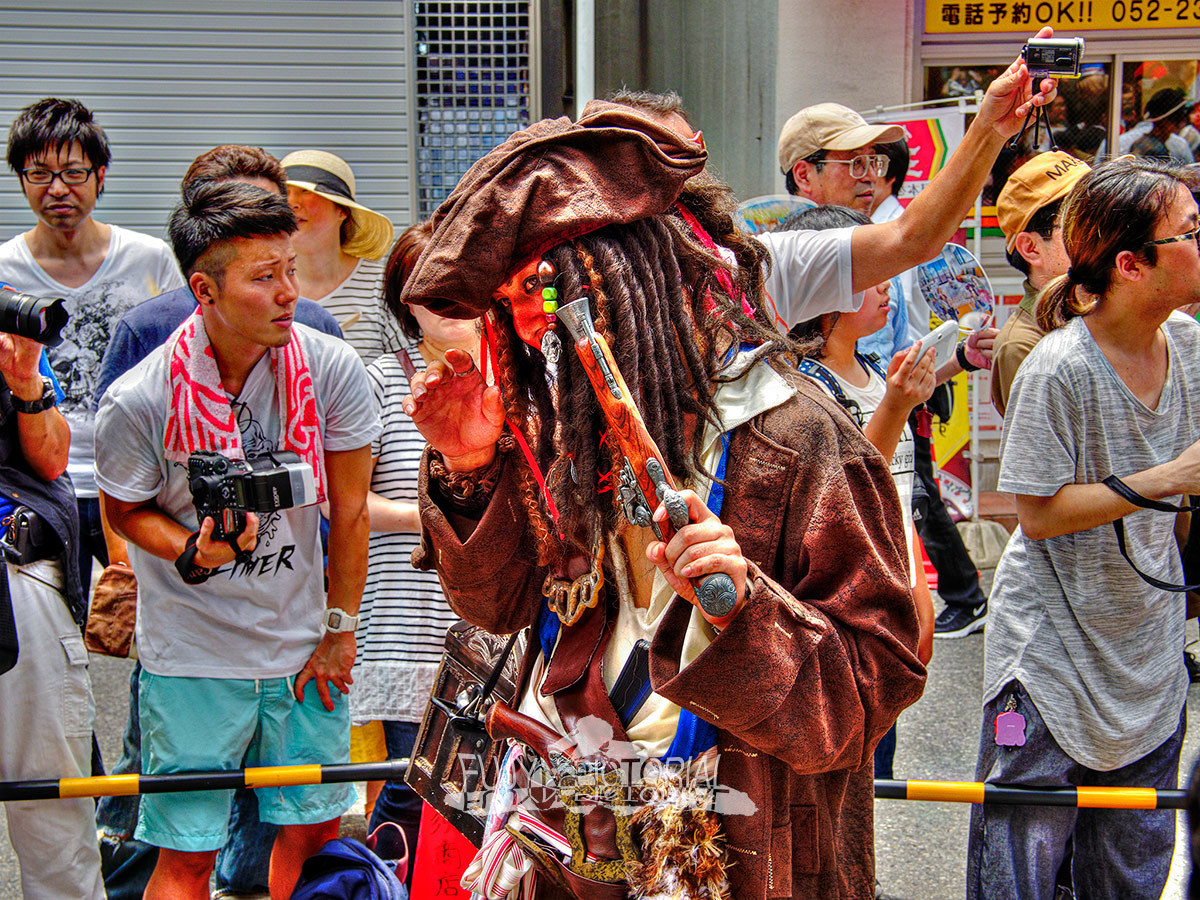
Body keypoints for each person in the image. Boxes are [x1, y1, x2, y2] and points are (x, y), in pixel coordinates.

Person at [398, 96, 928, 900]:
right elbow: (501, 607)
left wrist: (745, 609)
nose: (530, 330)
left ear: (634, 279)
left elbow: (865, 696)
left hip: (744, 842)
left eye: (546, 295)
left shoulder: (803, 441)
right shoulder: (563, 430)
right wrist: (470, 467)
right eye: (510, 308)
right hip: (575, 837)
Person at [94, 182, 379, 900]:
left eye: (289, 268)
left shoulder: (329, 366)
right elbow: (124, 510)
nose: (289, 291)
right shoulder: (140, 397)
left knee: (313, 839)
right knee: (187, 853)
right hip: (191, 657)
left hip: (302, 647)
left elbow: (349, 512)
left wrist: (340, 629)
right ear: (204, 289)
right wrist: (188, 549)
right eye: (263, 277)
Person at [966, 157, 1200, 900]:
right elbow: (1035, 515)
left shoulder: (1190, 342)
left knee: (1134, 866)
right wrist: (1165, 479)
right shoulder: (1057, 365)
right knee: (1020, 860)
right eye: (1190, 231)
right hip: (1043, 665)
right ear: (1131, 264)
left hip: (1149, 649)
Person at [761, 27, 1060, 332]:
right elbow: (913, 238)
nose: (869, 176)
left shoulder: (870, 247)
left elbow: (894, 354)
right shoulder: (779, 263)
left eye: (872, 160)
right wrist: (989, 130)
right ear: (803, 174)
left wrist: (958, 360)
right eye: (854, 162)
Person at [0, 97, 184, 589]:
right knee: (52, 632)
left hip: (138, 479)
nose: (57, 188)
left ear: (100, 175)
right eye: (39, 173)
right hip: (38, 483)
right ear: (20, 178)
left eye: (74, 172)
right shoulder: (3, 271)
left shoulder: (150, 260)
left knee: (149, 622)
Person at [785, 204, 937, 781]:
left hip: (894, 571)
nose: (886, 290)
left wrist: (917, 584)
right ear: (820, 290)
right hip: (848, 591)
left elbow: (895, 502)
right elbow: (849, 485)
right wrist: (897, 405)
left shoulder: (874, 369)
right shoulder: (801, 387)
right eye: (869, 277)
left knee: (879, 755)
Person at [349, 220, 475, 884]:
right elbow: (346, 504)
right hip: (405, 621)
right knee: (407, 791)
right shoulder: (373, 380)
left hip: (492, 628)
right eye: (435, 291)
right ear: (406, 301)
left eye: (466, 287)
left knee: (477, 800)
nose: (454, 306)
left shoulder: (516, 380)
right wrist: (432, 519)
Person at [0, 327, 103, 899]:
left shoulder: (7, 332)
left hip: (16, 571)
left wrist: (24, 382)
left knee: (50, 796)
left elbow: (52, 460)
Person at [991, 150, 1089, 417]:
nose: (1099, 230)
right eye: (1079, 221)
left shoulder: (1105, 306)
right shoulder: (1021, 346)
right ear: (1031, 248)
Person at [281, 149, 402, 362]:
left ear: (343, 211)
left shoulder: (381, 284)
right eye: (285, 193)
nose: (293, 203)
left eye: (305, 192)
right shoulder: (266, 285)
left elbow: (409, 365)